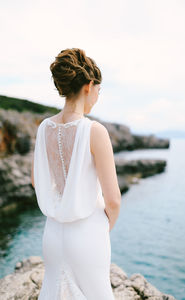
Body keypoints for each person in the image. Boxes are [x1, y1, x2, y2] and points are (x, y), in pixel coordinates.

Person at [31, 48, 121, 299]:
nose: (97, 97)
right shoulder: (95, 131)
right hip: (88, 232)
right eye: (98, 91)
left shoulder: (44, 128)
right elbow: (113, 200)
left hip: (53, 235)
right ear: (89, 85)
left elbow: (36, 181)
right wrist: (102, 229)